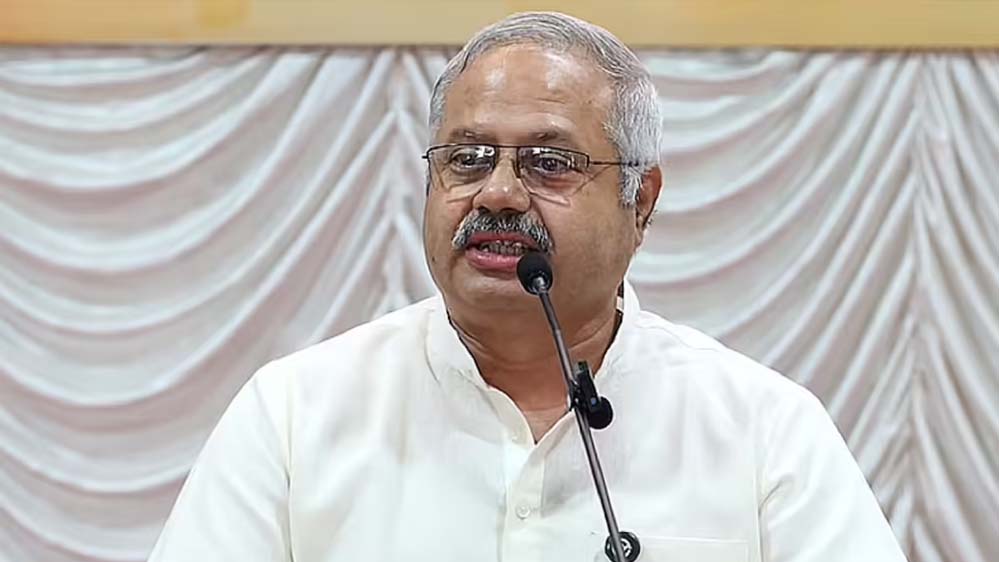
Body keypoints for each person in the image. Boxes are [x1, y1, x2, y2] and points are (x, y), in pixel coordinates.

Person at [148, 11, 908, 562]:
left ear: (640, 203)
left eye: (550, 164)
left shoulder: (761, 429)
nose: (499, 193)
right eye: (468, 158)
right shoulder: (294, 414)